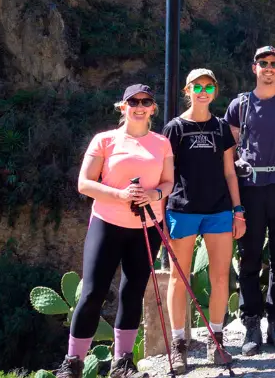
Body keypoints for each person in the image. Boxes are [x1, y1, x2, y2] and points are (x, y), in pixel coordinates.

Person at [53, 85, 173, 378]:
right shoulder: (105, 140)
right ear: (123, 106)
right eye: (134, 101)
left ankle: (123, 364)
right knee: (92, 292)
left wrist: (153, 194)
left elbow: (169, 182)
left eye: (146, 101)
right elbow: (84, 183)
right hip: (107, 224)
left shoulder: (162, 143)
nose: (140, 106)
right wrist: (120, 196)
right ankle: (73, 363)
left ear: (153, 108)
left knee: (132, 293)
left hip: (146, 227)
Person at [225, 46, 275, 354]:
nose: (269, 67)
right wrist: (234, 202)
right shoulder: (240, 105)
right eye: (264, 63)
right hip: (250, 190)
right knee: (248, 258)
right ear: (254, 67)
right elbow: (227, 153)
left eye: (274, 63)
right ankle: (251, 327)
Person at [161, 69, 242, 372]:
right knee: (180, 278)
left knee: (221, 277)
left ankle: (216, 340)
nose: (203, 91)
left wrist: (238, 210)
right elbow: (166, 175)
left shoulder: (221, 127)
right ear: (188, 90)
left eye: (209, 86)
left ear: (215, 91)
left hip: (219, 210)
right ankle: (180, 344)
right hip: (182, 210)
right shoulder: (175, 128)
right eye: (198, 86)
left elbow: (230, 172)